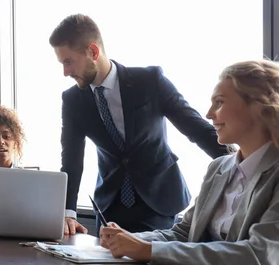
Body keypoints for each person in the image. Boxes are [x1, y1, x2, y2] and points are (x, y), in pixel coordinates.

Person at [100, 60, 279, 265]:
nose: (209, 114)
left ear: (258, 105)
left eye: (219, 102)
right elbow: (184, 233)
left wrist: (147, 250)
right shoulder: (219, 168)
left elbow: (257, 258)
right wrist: (127, 240)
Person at [49, 14, 229, 234]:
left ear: (93, 52)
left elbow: (196, 129)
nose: (65, 72)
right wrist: (68, 211)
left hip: (158, 202)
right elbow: (71, 159)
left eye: (69, 62)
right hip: (110, 208)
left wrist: (240, 166)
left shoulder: (150, 81)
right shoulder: (72, 100)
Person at [0, 105, 87, 235]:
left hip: (21, 238)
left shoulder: (30, 178)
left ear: (15, 142)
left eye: (6, 136)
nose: (1, 142)